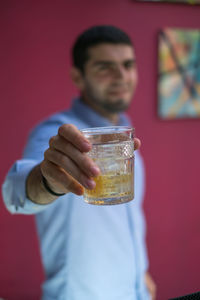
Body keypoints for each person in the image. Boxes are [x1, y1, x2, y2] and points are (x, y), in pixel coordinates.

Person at [2, 25, 156, 300]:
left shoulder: (125, 137)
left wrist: (140, 275)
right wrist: (49, 180)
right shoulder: (57, 133)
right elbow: (17, 191)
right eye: (104, 67)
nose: (121, 76)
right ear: (78, 76)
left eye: (128, 64)